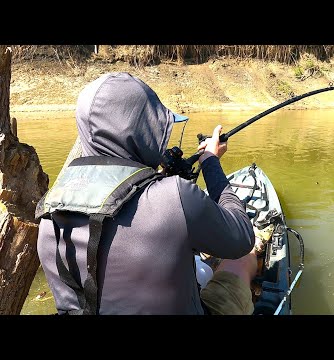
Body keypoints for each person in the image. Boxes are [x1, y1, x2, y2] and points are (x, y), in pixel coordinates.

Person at [35, 72, 258, 315]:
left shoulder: (48, 211)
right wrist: (211, 162)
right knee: (243, 259)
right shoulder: (175, 197)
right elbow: (242, 237)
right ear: (145, 132)